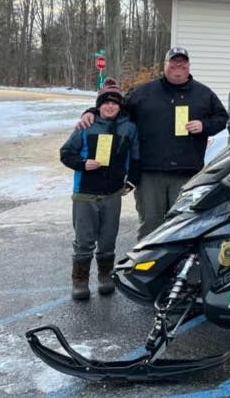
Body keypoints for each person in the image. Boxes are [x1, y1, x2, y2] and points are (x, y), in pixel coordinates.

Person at [77, 46, 228, 239]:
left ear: (189, 66)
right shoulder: (143, 92)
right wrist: (92, 111)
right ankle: (144, 267)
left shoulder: (204, 94)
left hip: (187, 173)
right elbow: (115, 109)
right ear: (165, 65)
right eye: (173, 61)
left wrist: (204, 125)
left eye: (182, 62)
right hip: (150, 174)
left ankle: (178, 269)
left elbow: (223, 118)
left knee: (183, 226)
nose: (178, 65)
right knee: (151, 226)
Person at [60, 79, 139, 300]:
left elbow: (135, 157)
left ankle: (105, 276)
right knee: (84, 240)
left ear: (120, 106)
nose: (110, 106)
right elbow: (66, 153)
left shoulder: (129, 128)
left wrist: (131, 181)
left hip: (112, 194)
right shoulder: (87, 125)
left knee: (107, 239)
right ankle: (80, 280)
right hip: (85, 192)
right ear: (98, 105)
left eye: (115, 103)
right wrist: (83, 164)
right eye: (106, 103)